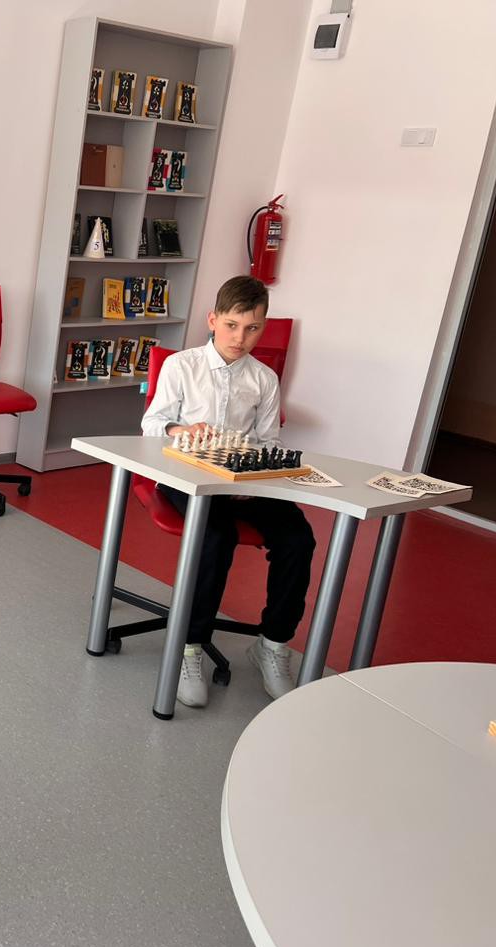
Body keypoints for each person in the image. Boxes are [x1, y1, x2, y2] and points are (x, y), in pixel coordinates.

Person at [141, 275, 315, 708]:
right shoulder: (181, 366)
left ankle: (272, 643)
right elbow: (151, 424)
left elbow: (269, 441)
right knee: (216, 537)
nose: (240, 338)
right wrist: (181, 430)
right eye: (232, 325)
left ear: (263, 327)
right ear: (213, 320)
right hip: (186, 477)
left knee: (298, 538)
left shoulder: (265, 379)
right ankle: (190, 646)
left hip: (244, 480)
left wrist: (252, 480)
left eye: (252, 328)